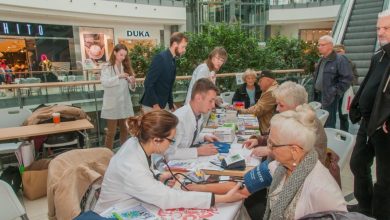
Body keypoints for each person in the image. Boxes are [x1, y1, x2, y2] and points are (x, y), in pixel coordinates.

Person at [187, 105, 347, 219]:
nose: (268, 148)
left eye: (273, 144)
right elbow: (242, 188)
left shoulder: (321, 189)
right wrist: (195, 188)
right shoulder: (278, 167)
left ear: (295, 150)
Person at [94, 110, 247, 213]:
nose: (172, 144)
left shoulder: (137, 143)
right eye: (171, 140)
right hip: (113, 213)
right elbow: (168, 198)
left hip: (132, 204)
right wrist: (221, 199)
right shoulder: (131, 167)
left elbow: (145, 172)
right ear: (156, 139)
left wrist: (159, 176)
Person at [348, 9, 390, 219]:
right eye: (378, 28)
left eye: (386, 28)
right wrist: (357, 105)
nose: (380, 32)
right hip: (368, 121)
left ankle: (380, 214)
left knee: (385, 178)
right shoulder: (379, 55)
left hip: (384, 126)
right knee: (357, 163)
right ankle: (365, 205)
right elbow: (369, 85)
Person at [164, 78, 220, 161]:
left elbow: (186, 138)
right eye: (210, 101)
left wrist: (203, 137)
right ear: (198, 98)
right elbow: (167, 154)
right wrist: (198, 151)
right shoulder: (179, 120)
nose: (213, 106)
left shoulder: (198, 115)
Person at [140, 32, 188, 112]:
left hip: (163, 105)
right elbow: (148, 83)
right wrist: (155, 105)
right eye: (183, 47)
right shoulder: (161, 58)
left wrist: (171, 103)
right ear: (175, 44)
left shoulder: (172, 60)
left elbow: (168, 86)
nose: (184, 50)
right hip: (152, 106)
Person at [100, 44, 136, 149]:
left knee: (125, 130)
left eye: (125, 55)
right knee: (111, 132)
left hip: (124, 103)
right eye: (121, 55)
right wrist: (119, 76)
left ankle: (122, 153)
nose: (123, 57)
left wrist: (132, 82)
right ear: (115, 52)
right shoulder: (107, 66)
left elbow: (131, 87)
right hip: (112, 103)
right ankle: (107, 155)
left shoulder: (126, 66)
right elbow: (105, 82)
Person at [313, 35, 353, 128]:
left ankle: (330, 141)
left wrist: (335, 92)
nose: (319, 47)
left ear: (330, 46)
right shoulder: (321, 59)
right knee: (319, 122)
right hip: (318, 95)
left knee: (329, 123)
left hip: (329, 96)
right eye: (319, 45)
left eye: (322, 45)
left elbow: (347, 78)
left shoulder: (340, 59)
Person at [334, 44, 359, 132]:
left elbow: (356, 76)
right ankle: (331, 132)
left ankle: (344, 134)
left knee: (343, 114)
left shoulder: (351, 63)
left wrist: (350, 83)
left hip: (345, 91)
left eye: (340, 51)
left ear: (344, 51)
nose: (339, 53)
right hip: (333, 91)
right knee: (331, 114)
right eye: (336, 52)